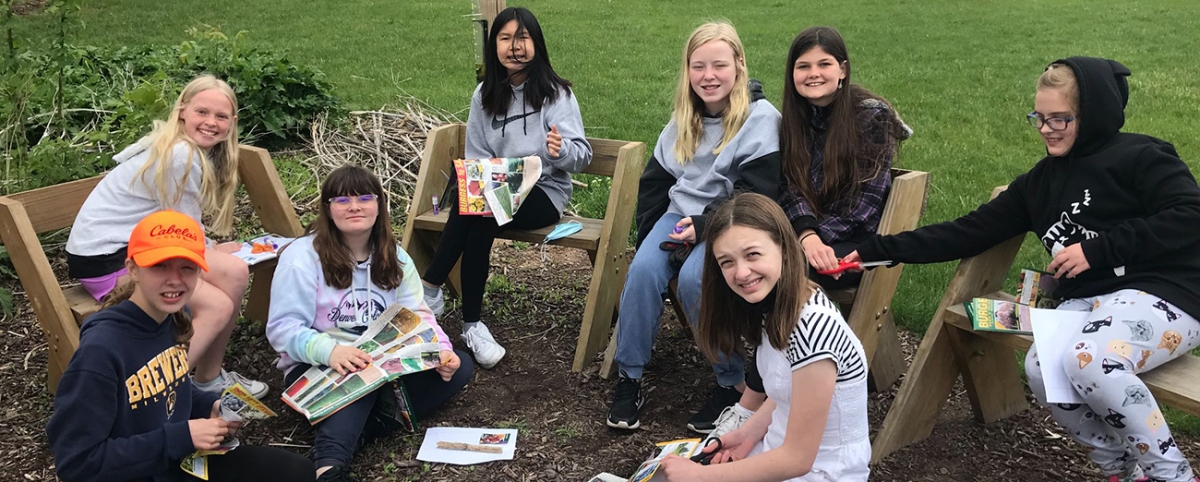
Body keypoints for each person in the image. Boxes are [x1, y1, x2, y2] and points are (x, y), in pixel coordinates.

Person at [845, 58, 1200, 482]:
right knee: (1041, 366)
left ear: (1093, 115)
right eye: (1040, 117)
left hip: (1167, 293)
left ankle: (1172, 475)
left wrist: (1097, 249)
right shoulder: (1038, 184)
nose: (1047, 129)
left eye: (1060, 119)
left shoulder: (1141, 156)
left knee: (1090, 361)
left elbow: (1189, 213)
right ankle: (1121, 470)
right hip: (1091, 302)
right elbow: (967, 232)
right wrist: (872, 250)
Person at [710, 25, 912, 441]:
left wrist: (819, 242)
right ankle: (775, 384)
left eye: (824, 64)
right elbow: (790, 187)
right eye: (803, 66)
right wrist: (805, 236)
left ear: (843, 69)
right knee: (755, 267)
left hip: (859, 242)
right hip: (809, 239)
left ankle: (750, 403)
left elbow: (866, 202)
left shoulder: (872, 117)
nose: (813, 73)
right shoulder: (794, 119)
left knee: (777, 276)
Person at [46, 210, 314, 482]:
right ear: (132, 269)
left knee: (297, 472)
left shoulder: (173, 317)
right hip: (135, 470)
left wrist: (209, 405)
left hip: (179, 462)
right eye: (160, 266)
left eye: (187, 267)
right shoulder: (101, 352)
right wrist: (181, 436)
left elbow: (167, 390)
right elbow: (76, 464)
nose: (174, 279)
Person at [607, 21, 781, 433]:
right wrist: (654, 234)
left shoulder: (760, 118)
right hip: (680, 217)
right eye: (697, 66)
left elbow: (755, 192)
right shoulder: (684, 118)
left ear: (739, 64)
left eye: (719, 65)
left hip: (734, 221)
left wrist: (703, 228)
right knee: (644, 272)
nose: (708, 76)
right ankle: (629, 377)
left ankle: (730, 382)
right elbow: (656, 184)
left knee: (693, 279)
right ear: (687, 71)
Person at [64, 75, 266, 398]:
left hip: (132, 245)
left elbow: (177, 223)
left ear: (232, 122)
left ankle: (208, 379)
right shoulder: (180, 156)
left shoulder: (178, 147)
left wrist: (212, 248)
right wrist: (208, 247)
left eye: (221, 116)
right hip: (109, 260)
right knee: (216, 306)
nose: (211, 123)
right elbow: (182, 228)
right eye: (202, 112)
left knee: (235, 270)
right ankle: (154, 393)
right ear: (182, 111)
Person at [268, 165, 473, 482]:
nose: (354, 207)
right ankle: (330, 467)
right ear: (328, 209)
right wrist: (332, 352)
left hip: (382, 361)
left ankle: (363, 430)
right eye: (342, 200)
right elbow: (283, 329)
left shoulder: (395, 256)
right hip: (315, 367)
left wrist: (441, 351)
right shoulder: (301, 257)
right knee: (360, 373)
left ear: (379, 206)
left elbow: (418, 315)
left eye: (365, 198)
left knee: (459, 367)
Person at [419, 6, 592, 370]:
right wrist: (489, 180)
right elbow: (478, 159)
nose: (515, 47)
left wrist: (559, 152)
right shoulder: (484, 95)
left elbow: (582, 157)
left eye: (523, 38)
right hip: (496, 190)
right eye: (505, 38)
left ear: (536, 44)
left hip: (544, 193)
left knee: (481, 209)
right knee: (482, 212)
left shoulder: (556, 94)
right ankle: (471, 325)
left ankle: (432, 289)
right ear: (494, 46)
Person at [657, 192, 870, 482]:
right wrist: (747, 432)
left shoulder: (813, 327)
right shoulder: (776, 306)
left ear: (783, 248)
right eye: (726, 262)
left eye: (752, 254)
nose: (741, 272)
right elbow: (791, 389)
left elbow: (798, 459)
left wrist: (699, 477)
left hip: (822, 471)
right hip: (776, 449)